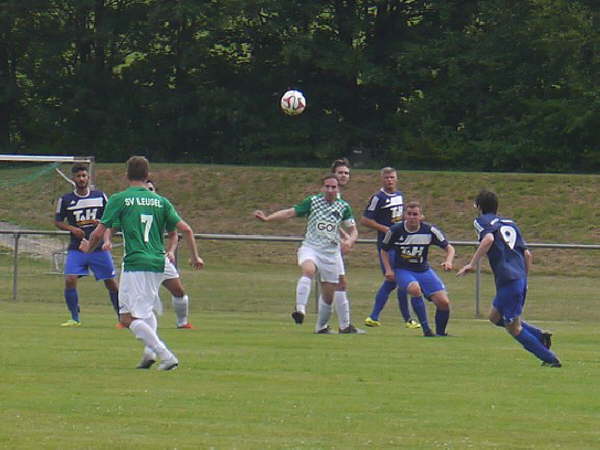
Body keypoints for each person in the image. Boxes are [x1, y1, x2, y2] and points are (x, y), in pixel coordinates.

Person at [80, 156, 204, 371]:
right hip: (157, 262)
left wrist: (87, 250)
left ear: (126, 175)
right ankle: (150, 353)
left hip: (137, 262)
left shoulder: (120, 199)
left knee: (129, 317)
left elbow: (99, 232)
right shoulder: (161, 201)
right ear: (147, 176)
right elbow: (187, 230)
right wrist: (194, 256)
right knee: (138, 313)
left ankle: (166, 355)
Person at [457, 190, 561, 367]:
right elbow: (527, 254)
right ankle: (539, 335)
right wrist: (524, 280)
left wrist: (472, 263)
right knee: (495, 317)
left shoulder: (481, 221)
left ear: (479, 206)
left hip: (508, 280)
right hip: (517, 279)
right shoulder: (510, 224)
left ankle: (550, 359)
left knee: (513, 328)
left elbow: (488, 239)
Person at [254, 174, 364, 334]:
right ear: (322, 188)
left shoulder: (343, 207)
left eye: (333, 187)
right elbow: (290, 212)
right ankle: (300, 310)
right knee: (309, 270)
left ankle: (321, 327)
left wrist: (349, 241)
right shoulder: (312, 201)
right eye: (327, 186)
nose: (330, 190)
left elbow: (353, 230)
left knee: (328, 296)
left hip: (331, 254)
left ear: (338, 189)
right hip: (311, 247)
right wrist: (267, 219)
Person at [54, 164, 119, 327]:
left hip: (98, 248)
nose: (81, 179)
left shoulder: (100, 196)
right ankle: (75, 318)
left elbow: (111, 218)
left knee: (111, 282)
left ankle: (122, 317)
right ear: (73, 179)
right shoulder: (66, 199)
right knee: (70, 279)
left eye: (84, 176)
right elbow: (58, 222)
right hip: (78, 248)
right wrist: (72, 228)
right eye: (78, 176)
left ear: (88, 178)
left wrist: (103, 228)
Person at [380, 201, 454, 337]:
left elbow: (449, 248)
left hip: (423, 270)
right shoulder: (395, 230)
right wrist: (388, 270)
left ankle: (441, 334)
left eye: (415, 214)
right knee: (415, 289)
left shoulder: (430, 230)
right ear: (404, 216)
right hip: (403, 270)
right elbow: (384, 250)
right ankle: (426, 329)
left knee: (444, 302)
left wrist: (448, 261)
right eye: (409, 214)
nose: (412, 217)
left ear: (421, 216)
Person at [360, 167, 420, 329]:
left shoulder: (400, 196)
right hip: (387, 245)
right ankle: (405, 319)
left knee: (397, 280)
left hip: (401, 244)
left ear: (397, 179)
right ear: (382, 179)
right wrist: (385, 229)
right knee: (396, 279)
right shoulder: (378, 198)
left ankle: (377, 317)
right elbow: (365, 219)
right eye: (386, 178)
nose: (389, 180)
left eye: (392, 177)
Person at [327, 158, 365, 334]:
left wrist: (346, 238)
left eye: (346, 173)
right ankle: (335, 326)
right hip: (325, 246)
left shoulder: (339, 197)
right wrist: (346, 238)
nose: (343, 176)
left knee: (337, 284)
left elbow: (336, 222)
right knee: (335, 284)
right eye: (340, 172)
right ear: (333, 174)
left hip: (333, 245)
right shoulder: (330, 195)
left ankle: (342, 325)